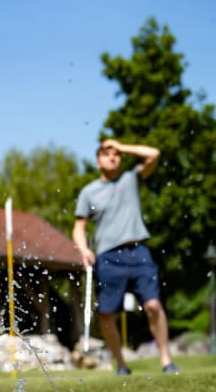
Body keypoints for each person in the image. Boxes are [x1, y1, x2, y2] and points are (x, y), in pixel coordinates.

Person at [72, 139, 179, 376]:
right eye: (107, 154)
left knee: (153, 305)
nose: (113, 157)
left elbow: (154, 153)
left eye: (116, 154)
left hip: (139, 251)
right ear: (97, 161)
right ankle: (121, 364)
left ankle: (166, 361)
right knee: (107, 313)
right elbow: (79, 227)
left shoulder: (130, 179)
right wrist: (83, 249)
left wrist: (121, 146)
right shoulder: (89, 192)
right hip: (108, 256)